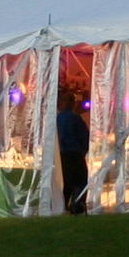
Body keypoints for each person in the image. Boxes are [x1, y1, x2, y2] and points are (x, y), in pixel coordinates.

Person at [56, 79, 91, 214]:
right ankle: (77, 206)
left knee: (66, 183)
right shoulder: (76, 118)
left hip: (62, 155)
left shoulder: (58, 119)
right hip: (75, 154)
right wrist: (83, 150)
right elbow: (84, 136)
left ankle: (63, 206)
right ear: (73, 103)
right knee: (80, 181)